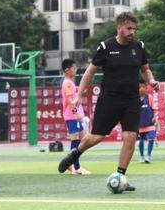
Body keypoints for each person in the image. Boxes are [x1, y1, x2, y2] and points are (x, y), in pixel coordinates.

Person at [58, 12, 158, 191]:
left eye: (134, 29)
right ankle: (75, 154)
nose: (132, 32)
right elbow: (89, 72)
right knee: (96, 137)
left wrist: (151, 80)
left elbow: (146, 69)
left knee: (131, 137)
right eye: (129, 28)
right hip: (109, 100)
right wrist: (79, 95)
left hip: (131, 102)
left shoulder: (139, 47)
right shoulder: (106, 47)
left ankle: (121, 176)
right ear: (119, 27)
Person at [60, 58, 91, 175]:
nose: (76, 70)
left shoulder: (69, 82)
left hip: (74, 116)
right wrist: (76, 113)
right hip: (72, 116)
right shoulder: (68, 83)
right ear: (67, 70)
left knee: (83, 140)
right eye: (74, 68)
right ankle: (76, 168)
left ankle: (71, 164)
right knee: (76, 140)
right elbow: (70, 101)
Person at [137, 82, 158, 163]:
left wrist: (154, 117)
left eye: (143, 87)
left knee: (152, 138)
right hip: (140, 124)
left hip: (150, 123)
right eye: (140, 87)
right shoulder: (135, 98)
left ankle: (148, 156)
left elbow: (154, 109)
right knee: (141, 141)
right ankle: (141, 156)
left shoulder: (149, 97)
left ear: (146, 88)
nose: (141, 88)